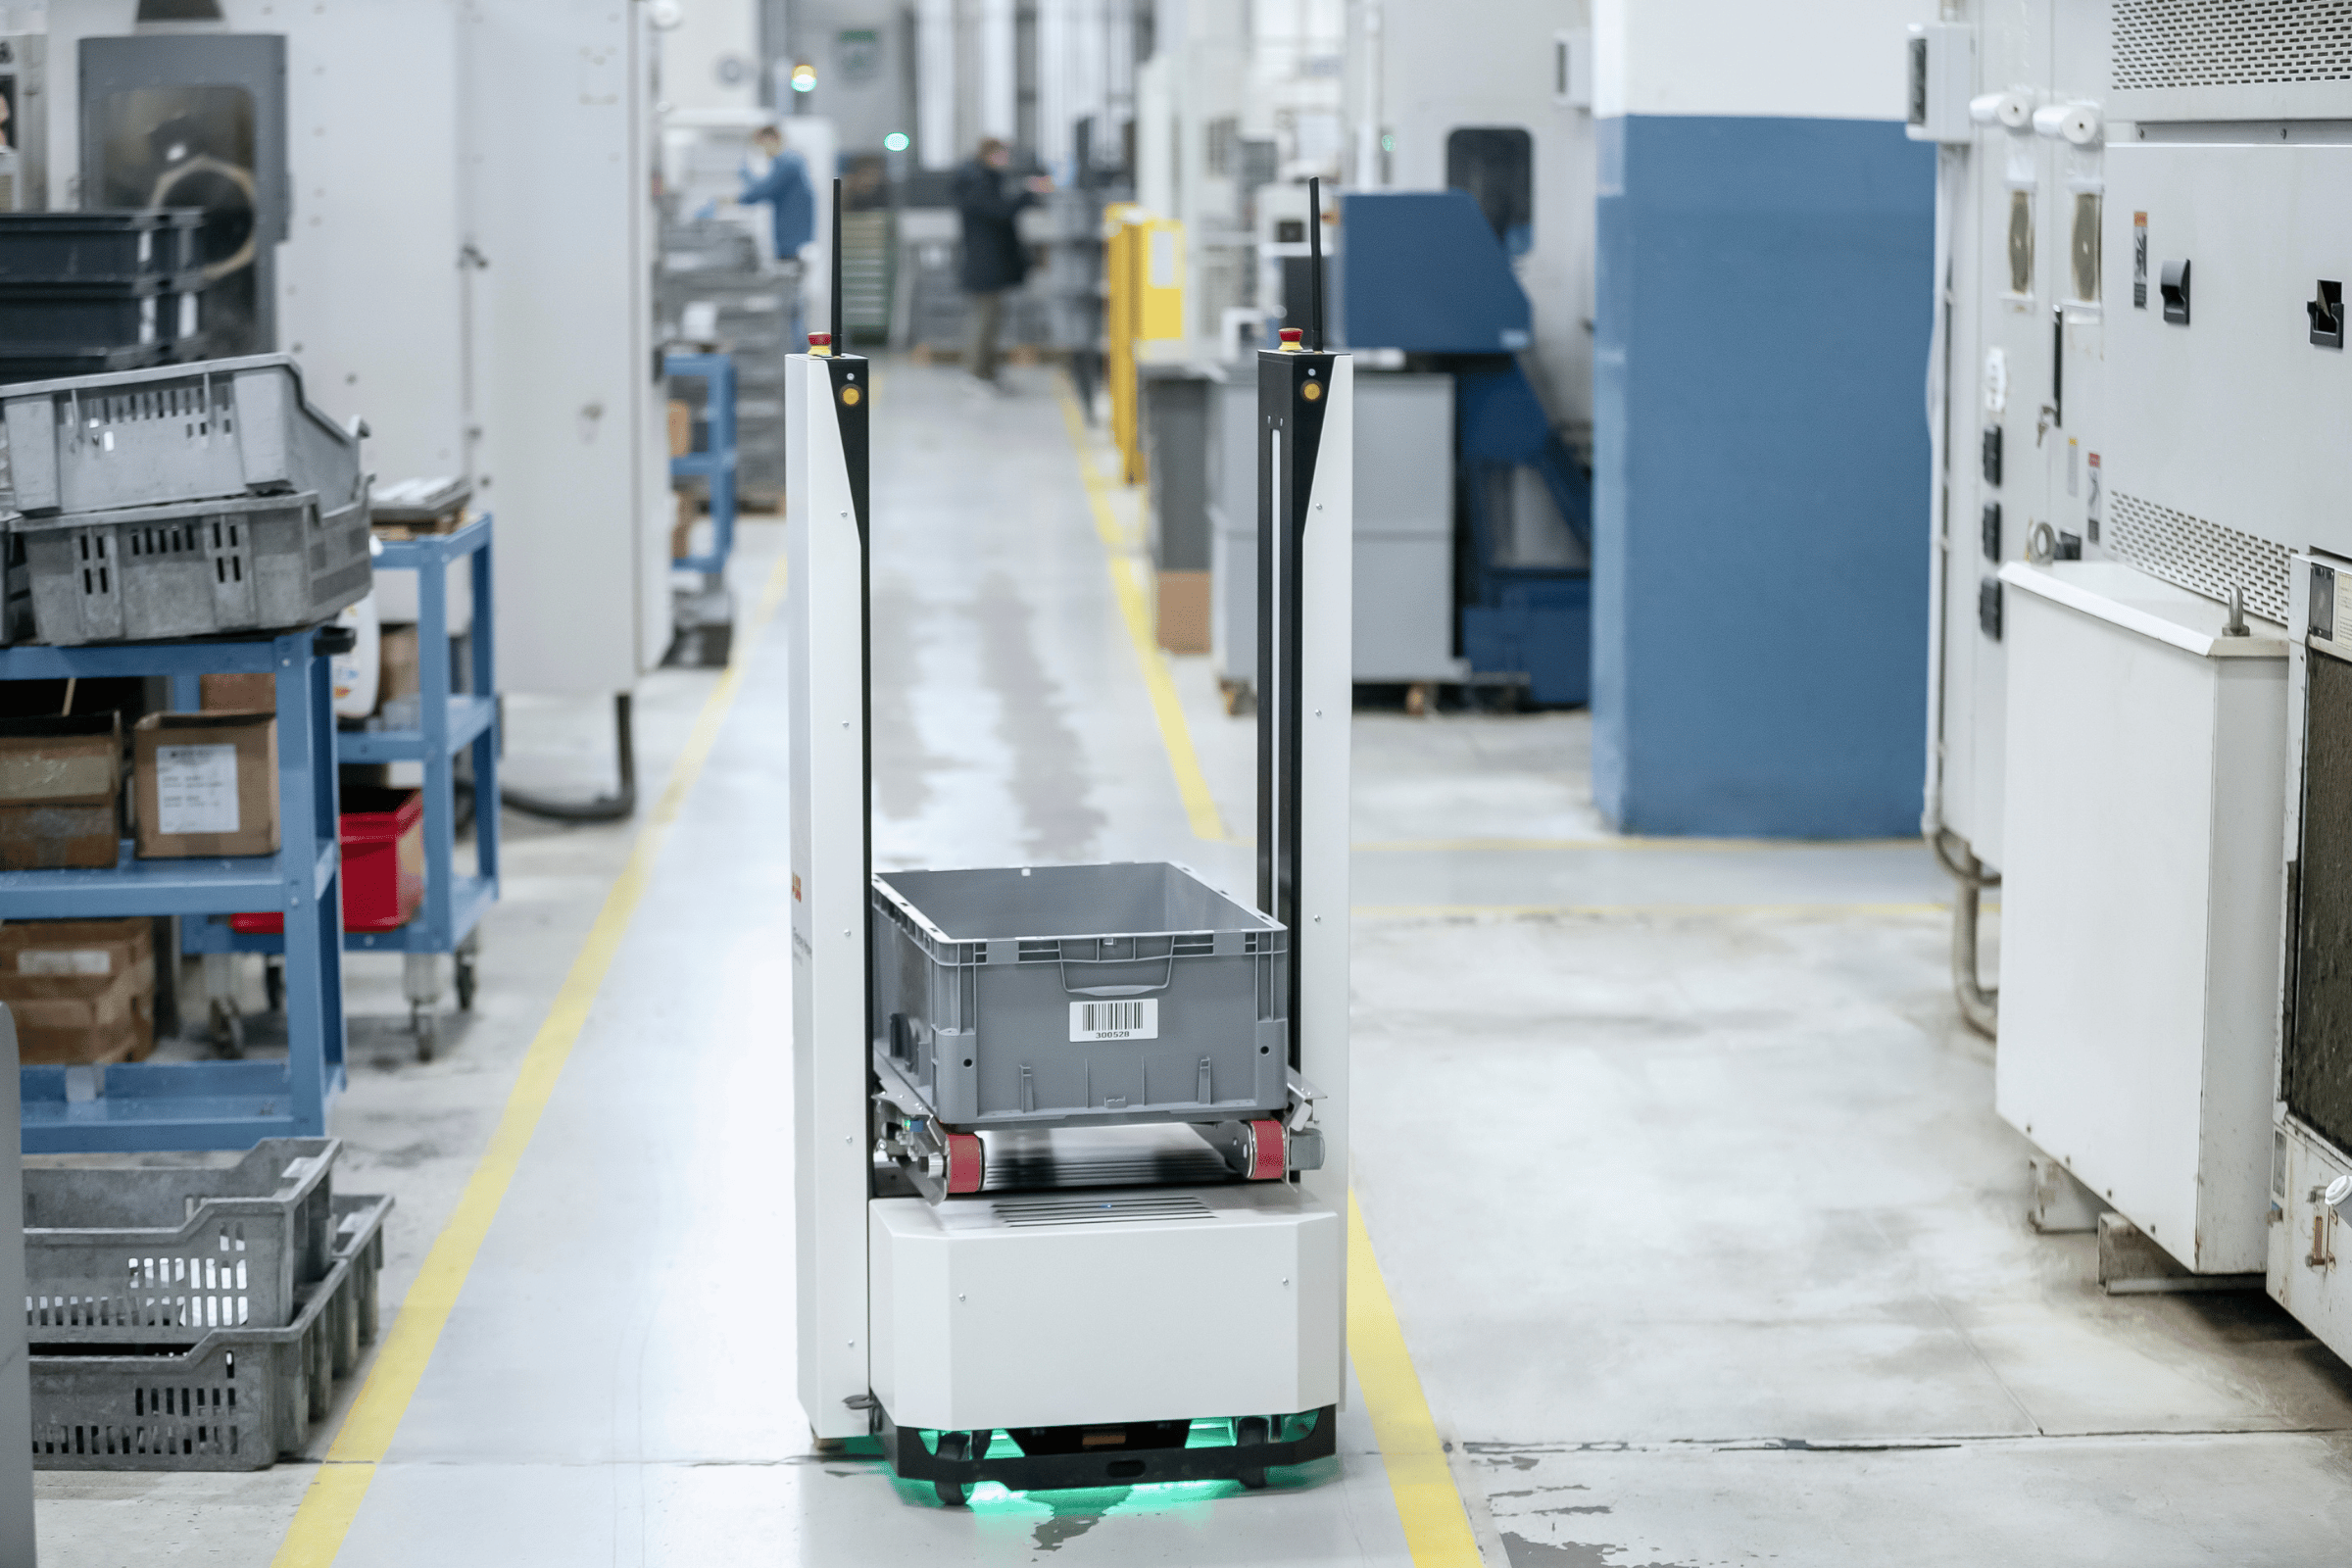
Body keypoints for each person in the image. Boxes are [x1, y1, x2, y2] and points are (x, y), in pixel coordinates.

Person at [952, 138, 1053, 390]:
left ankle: (987, 373)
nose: (1006, 160)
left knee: (992, 320)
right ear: (989, 154)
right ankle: (975, 374)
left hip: (992, 261)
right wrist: (1027, 193)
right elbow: (1000, 211)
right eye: (1002, 154)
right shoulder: (977, 182)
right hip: (984, 262)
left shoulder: (987, 180)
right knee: (984, 320)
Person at [741, 125, 816, 264]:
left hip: (793, 240)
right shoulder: (784, 163)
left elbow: (764, 191)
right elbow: (764, 189)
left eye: (760, 145)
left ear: (770, 140)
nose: (761, 151)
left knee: (790, 270)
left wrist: (737, 195)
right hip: (788, 239)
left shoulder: (789, 163)